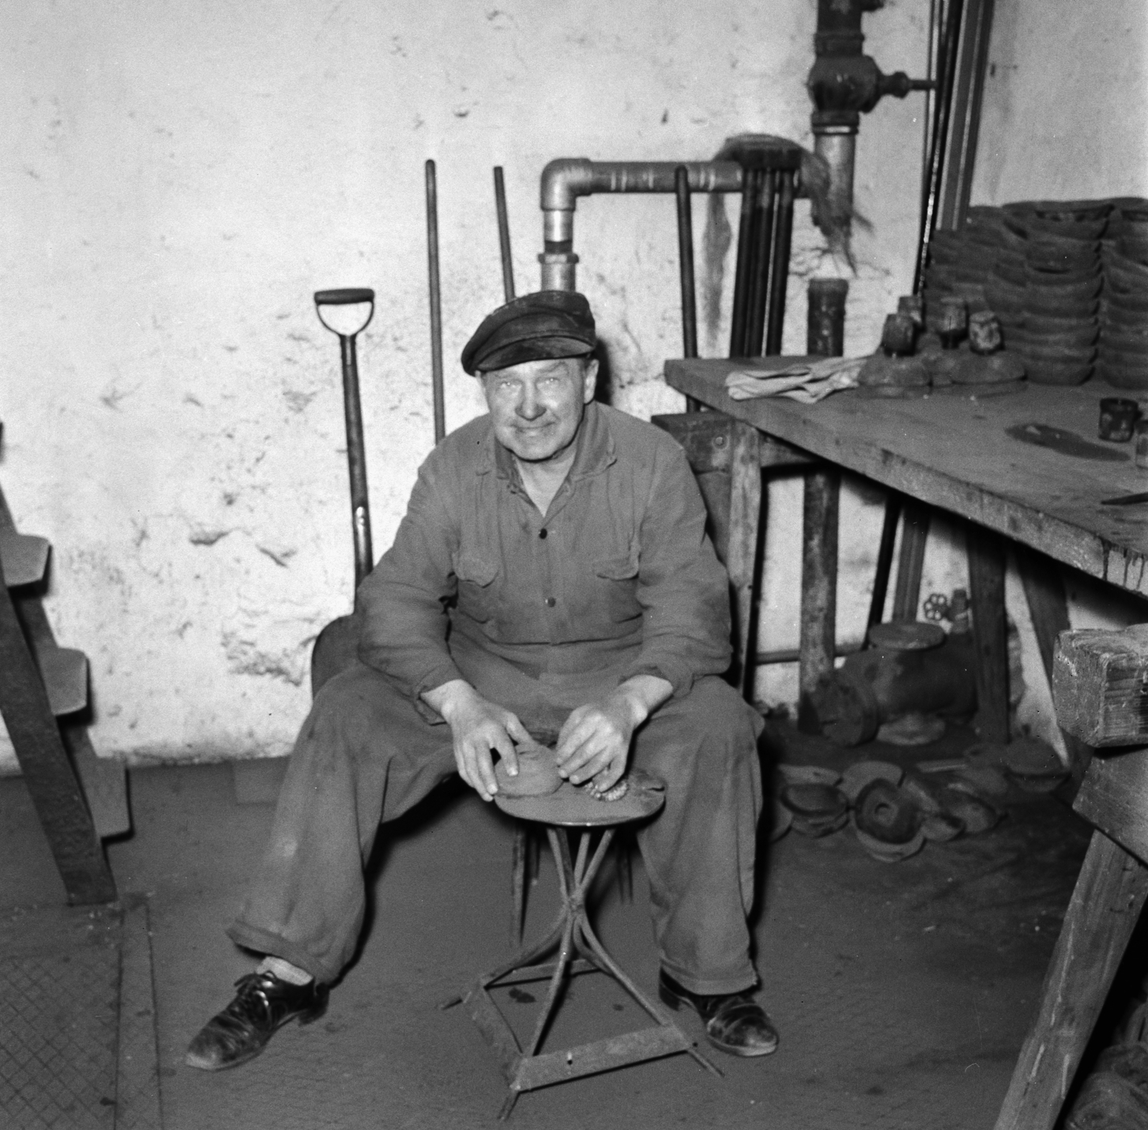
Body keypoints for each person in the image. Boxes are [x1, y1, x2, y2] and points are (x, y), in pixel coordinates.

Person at [186, 289, 777, 1070]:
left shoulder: (652, 464)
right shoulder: (453, 467)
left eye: (549, 380)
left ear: (588, 380)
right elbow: (392, 602)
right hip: (480, 679)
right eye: (507, 386)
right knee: (347, 713)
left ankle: (708, 977)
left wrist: (632, 702)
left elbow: (693, 612)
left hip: (616, 677)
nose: (528, 407)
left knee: (720, 726)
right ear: (487, 394)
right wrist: (457, 703)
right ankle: (287, 973)